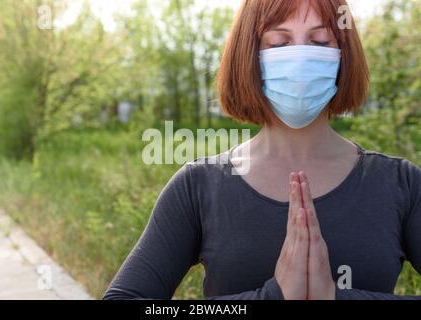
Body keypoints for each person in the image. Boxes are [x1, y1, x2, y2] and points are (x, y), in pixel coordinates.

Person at [104, 0, 421, 300]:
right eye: (279, 43)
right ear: (249, 55)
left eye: (321, 42)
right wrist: (273, 295)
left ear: (343, 54)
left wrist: (335, 296)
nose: (299, 58)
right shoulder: (197, 187)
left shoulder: (400, 184)